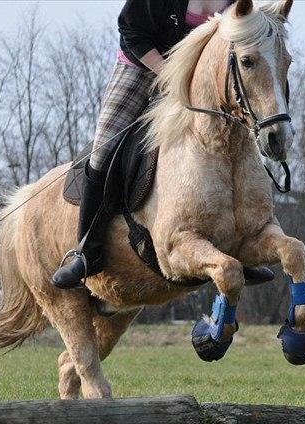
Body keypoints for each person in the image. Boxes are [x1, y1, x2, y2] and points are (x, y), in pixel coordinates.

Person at [52, 0, 271, 289]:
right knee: (104, 150)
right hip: (142, 68)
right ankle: (87, 253)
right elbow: (131, 29)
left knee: (234, 143)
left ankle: (243, 250)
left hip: (200, 79)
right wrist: (170, 73)